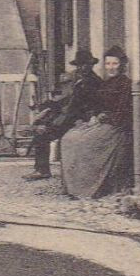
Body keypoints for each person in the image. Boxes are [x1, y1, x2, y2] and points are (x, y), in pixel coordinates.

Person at [59, 46, 135, 199]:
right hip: (103, 122)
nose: (111, 67)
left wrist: (104, 117)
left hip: (117, 127)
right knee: (69, 138)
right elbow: (97, 105)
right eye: (108, 64)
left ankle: (87, 188)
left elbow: (122, 111)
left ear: (122, 65)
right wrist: (94, 116)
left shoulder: (126, 84)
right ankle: (74, 187)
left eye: (115, 64)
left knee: (83, 142)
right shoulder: (106, 83)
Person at [24, 50, 100, 181]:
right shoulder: (75, 79)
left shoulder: (93, 82)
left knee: (43, 133)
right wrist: (47, 110)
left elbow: (87, 105)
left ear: (91, 65)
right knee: (40, 128)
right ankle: (40, 169)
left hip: (81, 118)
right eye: (80, 65)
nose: (82, 68)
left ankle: (42, 170)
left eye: (86, 65)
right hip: (69, 116)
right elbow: (65, 100)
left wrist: (61, 120)